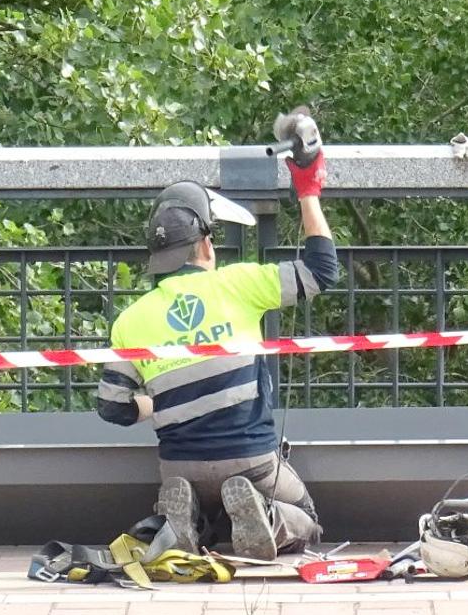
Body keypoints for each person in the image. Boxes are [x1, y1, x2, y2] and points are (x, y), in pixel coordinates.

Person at [95, 112, 338, 560]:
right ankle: (268, 518)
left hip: (179, 465)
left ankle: (185, 519)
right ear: (205, 245)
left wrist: (161, 400)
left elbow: (112, 408)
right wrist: (308, 190)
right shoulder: (239, 284)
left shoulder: (131, 319)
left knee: (202, 508)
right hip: (252, 459)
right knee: (306, 514)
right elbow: (323, 271)